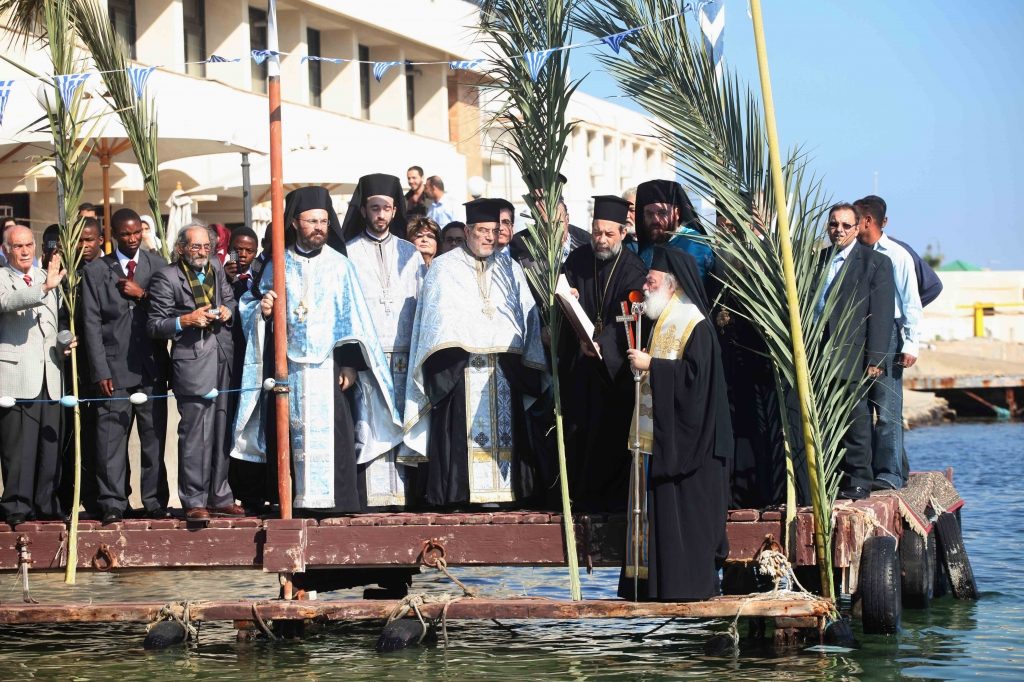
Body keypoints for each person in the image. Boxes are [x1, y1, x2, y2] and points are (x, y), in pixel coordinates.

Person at [232, 186, 403, 514]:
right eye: (312, 221)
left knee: (334, 433)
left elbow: (354, 321)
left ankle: (334, 503)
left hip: (328, 368)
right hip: (287, 367)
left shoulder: (339, 265)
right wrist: (263, 310)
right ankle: (288, 500)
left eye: (324, 221)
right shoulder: (277, 264)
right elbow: (252, 305)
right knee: (285, 430)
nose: (319, 228)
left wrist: (350, 366)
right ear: (295, 223)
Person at [404, 198, 547, 507]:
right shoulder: (444, 267)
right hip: (461, 371)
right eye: (482, 230)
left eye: (494, 230)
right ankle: (460, 493)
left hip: (503, 371)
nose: (488, 237)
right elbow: (436, 322)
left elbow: (526, 316)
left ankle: (508, 493)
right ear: (467, 230)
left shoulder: (511, 267)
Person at [620, 246, 733, 601]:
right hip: (668, 440)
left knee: (687, 515)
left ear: (672, 284)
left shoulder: (691, 322)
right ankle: (660, 587)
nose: (645, 286)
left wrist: (652, 365)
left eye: (651, 281)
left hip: (692, 444)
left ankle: (688, 588)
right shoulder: (665, 317)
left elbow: (695, 382)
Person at [82, 209, 171, 523]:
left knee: (153, 439)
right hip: (113, 370)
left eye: (137, 233)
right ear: (114, 235)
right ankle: (113, 502)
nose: (132, 239)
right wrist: (100, 370)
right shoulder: (95, 271)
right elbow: (90, 324)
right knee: (110, 442)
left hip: (151, 368)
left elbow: (167, 309)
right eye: (125, 234)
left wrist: (142, 294)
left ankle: (155, 500)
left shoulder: (157, 265)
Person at [148, 221, 241, 520]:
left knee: (222, 429)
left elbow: (229, 299)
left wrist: (228, 310)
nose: (202, 252)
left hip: (223, 356)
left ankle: (220, 495)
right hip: (191, 361)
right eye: (195, 246)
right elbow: (155, 325)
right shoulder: (166, 277)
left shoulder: (215, 265)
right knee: (195, 433)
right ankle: (194, 500)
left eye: (206, 246)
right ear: (181, 248)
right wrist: (185, 320)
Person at [343, 174, 426, 508]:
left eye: (387, 208)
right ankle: (374, 500)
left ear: (395, 211)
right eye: (374, 208)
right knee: (372, 426)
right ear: (363, 210)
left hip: (406, 351)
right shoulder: (348, 252)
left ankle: (409, 499)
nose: (380, 214)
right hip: (369, 356)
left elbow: (421, 303)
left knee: (406, 423)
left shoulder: (410, 252)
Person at [560, 195, 647, 511]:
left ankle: (608, 503)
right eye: (597, 232)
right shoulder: (577, 262)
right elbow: (561, 302)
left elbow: (633, 315)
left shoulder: (634, 270)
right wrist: (566, 299)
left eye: (609, 234)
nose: (601, 239)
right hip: (580, 367)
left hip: (614, 373)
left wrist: (603, 344)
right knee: (576, 432)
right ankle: (575, 498)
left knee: (609, 435)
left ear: (623, 233)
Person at [817, 202, 895, 500]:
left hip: (852, 352)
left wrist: (875, 358)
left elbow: (882, 313)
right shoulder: (820, 259)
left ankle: (860, 478)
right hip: (817, 351)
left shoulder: (874, 263)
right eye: (833, 224)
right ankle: (832, 476)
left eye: (845, 226)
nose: (838, 230)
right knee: (825, 417)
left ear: (858, 225)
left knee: (856, 417)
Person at [0, 226, 69, 526]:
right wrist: (44, 289)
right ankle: (16, 506)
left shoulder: (47, 277)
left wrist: (66, 341)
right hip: (17, 376)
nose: (25, 251)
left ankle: (47, 504)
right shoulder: (3, 278)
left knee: (49, 446)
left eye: (29, 244)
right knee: (19, 449)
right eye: (18, 246)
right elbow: (8, 303)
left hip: (51, 374)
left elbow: (58, 324)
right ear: (6, 250)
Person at [854, 195, 921, 491]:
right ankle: (885, 469)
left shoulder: (897, 254)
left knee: (888, 407)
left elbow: (911, 302)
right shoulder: (853, 253)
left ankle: (891, 474)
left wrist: (911, 343)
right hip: (858, 333)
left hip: (890, 333)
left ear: (866, 221)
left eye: (854, 220)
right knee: (861, 407)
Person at [57, 218, 104, 518]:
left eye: (90, 240)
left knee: (101, 437)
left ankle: (100, 496)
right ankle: (68, 497)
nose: (84, 247)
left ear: (100, 240)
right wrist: (64, 335)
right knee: (72, 435)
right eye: (79, 242)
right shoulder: (66, 277)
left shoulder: (108, 272)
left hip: (101, 368)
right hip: (72, 365)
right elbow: (57, 317)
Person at [223, 227, 265, 513]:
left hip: (257, 360)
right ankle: (228, 491)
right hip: (229, 360)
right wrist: (227, 280)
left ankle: (254, 494)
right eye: (239, 249)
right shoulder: (220, 275)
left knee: (252, 428)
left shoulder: (263, 275)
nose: (244, 256)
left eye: (249, 250)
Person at [634, 179, 714, 281]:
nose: (655, 220)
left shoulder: (694, 244)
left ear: (677, 213)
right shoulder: (648, 247)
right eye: (649, 214)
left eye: (662, 213)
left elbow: (690, 291)